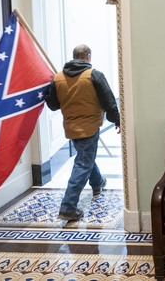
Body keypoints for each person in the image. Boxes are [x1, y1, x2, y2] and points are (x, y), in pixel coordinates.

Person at [46, 44, 120, 222]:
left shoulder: (58, 78)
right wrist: (117, 120)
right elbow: (109, 102)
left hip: (70, 127)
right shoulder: (94, 75)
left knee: (84, 158)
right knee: (82, 164)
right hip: (90, 126)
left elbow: (53, 105)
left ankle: (97, 182)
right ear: (88, 56)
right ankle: (68, 207)